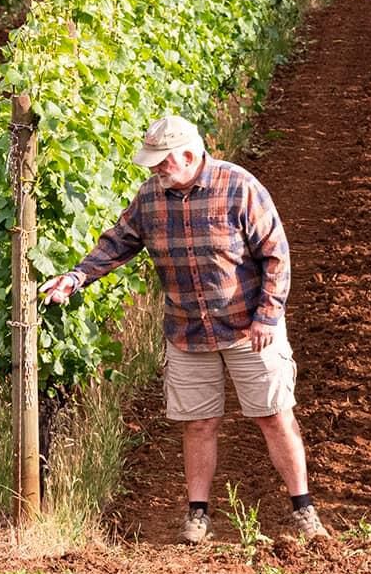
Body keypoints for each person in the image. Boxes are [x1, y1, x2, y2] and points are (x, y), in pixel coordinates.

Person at [38, 115, 327, 544]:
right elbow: (118, 241)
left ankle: (303, 510)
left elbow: (276, 256)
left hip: (250, 328)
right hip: (187, 331)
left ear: (188, 155)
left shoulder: (239, 187)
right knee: (197, 423)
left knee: (272, 415)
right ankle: (197, 515)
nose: (155, 170)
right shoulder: (151, 198)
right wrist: (76, 277)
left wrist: (268, 316)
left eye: (161, 162)